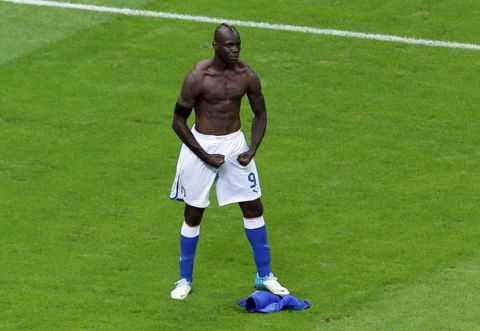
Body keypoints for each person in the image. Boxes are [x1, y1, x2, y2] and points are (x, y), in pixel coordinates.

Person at [169, 23, 289, 300]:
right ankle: (184, 279)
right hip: (202, 145)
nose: (234, 50)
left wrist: (252, 149)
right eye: (228, 45)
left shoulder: (247, 75)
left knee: (253, 205)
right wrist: (205, 155)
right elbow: (177, 121)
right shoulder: (198, 76)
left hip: (234, 144)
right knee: (194, 212)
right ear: (215, 46)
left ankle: (265, 276)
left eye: (237, 44)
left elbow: (260, 114)